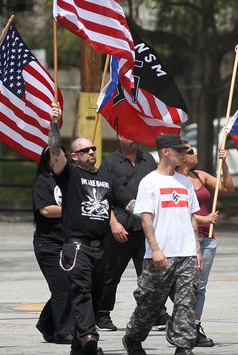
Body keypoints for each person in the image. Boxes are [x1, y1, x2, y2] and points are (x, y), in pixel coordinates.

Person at [48, 102, 128, 355]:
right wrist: (54, 124)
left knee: (94, 296)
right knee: (81, 290)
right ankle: (88, 333)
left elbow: (128, 200)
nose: (91, 152)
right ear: (74, 156)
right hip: (77, 246)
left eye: (93, 149)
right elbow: (53, 151)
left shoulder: (106, 177)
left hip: (101, 247)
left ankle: (80, 347)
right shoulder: (69, 175)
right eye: (85, 150)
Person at [121, 134, 202, 355]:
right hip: (160, 255)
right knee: (150, 304)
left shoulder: (185, 182)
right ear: (166, 152)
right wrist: (155, 249)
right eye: (179, 151)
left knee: (186, 302)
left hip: (186, 254)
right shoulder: (150, 182)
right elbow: (146, 219)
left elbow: (192, 217)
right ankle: (133, 337)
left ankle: (183, 346)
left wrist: (197, 250)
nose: (183, 155)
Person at [173, 140, 233, 347]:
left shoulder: (201, 175)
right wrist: (203, 219)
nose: (195, 153)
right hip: (184, 238)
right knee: (181, 285)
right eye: (189, 151)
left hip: (207, 240)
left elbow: (227, 188)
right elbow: (176, 210)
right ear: (180, 156)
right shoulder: (173, 180)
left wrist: (223, 164)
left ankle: (194, 326)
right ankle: (179, 322)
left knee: (200, 286)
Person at [96, 134, 158, 333]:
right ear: (119, 136)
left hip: (145, 228)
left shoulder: (148, 159)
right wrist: (113, 223)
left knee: (150, 273)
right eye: (128, 134)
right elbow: (102, 198)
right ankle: (102, 314)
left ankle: (157, 312)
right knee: (111, 274)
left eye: (135, 133)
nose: (134, 138)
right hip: (120, 228)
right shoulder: (109, 163)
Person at [32, 147, 74, 344]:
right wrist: (73, 208)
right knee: (62, 286)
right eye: (56, 157)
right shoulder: (42, 181)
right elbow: (46, 210)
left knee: (72, 285)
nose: (60, 159)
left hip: (70, 242)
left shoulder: (71, 180)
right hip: (48, 242)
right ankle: (64, 331)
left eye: (62, 156)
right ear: (48, 161)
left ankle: (46, 323)